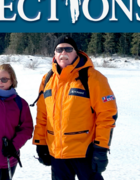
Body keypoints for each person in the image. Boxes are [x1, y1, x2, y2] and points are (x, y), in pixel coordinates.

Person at [32, 35, 118, 180]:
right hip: (57, 154)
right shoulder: (47, 79)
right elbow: (43, 115)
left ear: (76, 52)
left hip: (85, 152)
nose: (63, 53)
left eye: (68, 49)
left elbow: (107, 115)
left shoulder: (93, 78)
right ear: (54, 54)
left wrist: (101, 148)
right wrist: (41, 143)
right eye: (59, 49)